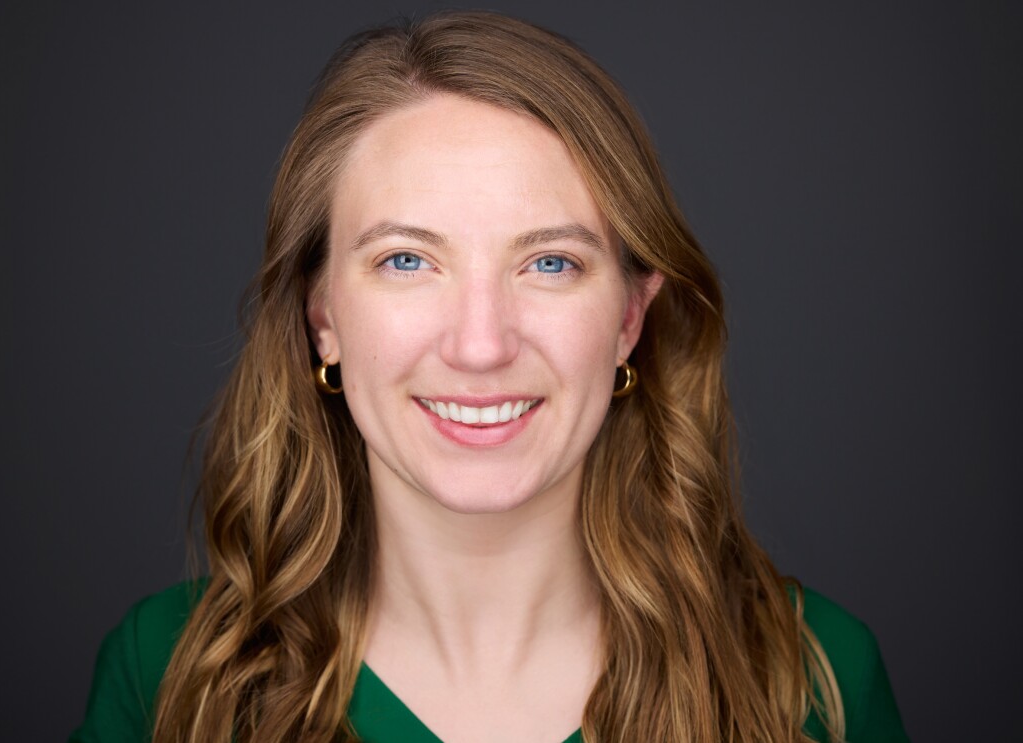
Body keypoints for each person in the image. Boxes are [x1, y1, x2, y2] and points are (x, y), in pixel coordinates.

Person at [71, 11, 907, 743]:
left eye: (549, 262)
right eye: (407, 259)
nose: (480, 345)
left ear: (628, 319)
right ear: (321, 316)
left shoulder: (814, 679)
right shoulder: (170, 675)